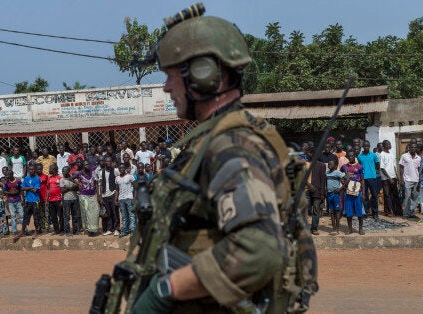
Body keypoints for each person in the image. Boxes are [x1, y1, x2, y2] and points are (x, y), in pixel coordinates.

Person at [130, 11, 303, 312]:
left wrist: (164, 290)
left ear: (203, 74)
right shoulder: (214, 140)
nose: (167, 87)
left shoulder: (231, 147)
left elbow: (259, 249)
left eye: (171, 75)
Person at [73, 160, 100, 237]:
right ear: (83, 166)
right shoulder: (80, 173)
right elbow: (71, 177)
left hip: (93, 195)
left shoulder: (93, 170)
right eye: (85, 165)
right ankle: (89, 230)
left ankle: (94, 228)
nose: (87, 166)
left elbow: (100, 165)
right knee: (87, 212)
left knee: (95, 211)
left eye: (88, 164)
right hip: (83, 196)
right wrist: (78, 183)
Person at [341, 150, 365, 235]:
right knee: (349, 211)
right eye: (349, 156)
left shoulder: (359, 167)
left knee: (359, 211)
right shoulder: (344, 167)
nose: (350, 157)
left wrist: (363, 193)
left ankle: (360, 229)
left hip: (357, 191)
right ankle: (350, 229)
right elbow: (340, 175)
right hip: (348, 192)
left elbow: (362, 180)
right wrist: (343, 181)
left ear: (354, 156)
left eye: (352, 156)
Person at [357, 140, 380, 219]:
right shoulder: (360, 156)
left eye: (367, 146)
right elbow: (359, 166)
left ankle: (375, 213)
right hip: (363, 179)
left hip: (372, 178)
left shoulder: (373, 155)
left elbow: (377, 164)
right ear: (363, 147)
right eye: (365, 146)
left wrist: (375, 171)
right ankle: (365, 212)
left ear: (369, 146)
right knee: (365, 196)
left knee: (374, 196)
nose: (366, 147)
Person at [95, 156, 118, 236]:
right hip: (105, 195)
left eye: (109, 161)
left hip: (113, 194)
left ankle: (116, 229)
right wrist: (100, 196)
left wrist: (116, 195)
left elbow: (118, 182)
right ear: (105, 162)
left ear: (111, 162)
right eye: (106, 161)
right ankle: (109, 229)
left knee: (115, 213)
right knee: (108, 213)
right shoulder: (101, 172)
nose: (108, 163)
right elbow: (100, 184)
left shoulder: (115, 171)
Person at [399, 143, 421, 219]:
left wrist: (419, 180)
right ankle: (405, 214)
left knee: (415, 197)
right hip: (407, 179)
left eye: (414, 147)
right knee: (407, 197)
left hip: (416, 180)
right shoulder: (404, 156)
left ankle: (411, 212)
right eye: (411, 147)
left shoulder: (419, 158)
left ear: (416, 148)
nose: (413, 148)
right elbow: (401, 167)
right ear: (409, 148)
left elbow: (419, 169)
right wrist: (401, 179)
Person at [379, 140, 400, 216]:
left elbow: (393, 165)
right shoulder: (382, 154)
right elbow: (382, 168)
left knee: (395, 194)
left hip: (393, 177)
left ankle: (397, 211)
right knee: (387, 195)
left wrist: (396, 175)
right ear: (384, 146)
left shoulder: (391, 153)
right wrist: (389, 178)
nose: (390, 145)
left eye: (390, 143)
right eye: (388, 144)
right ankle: (387, 212)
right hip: (386, 178)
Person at [115, 163, 135, 237]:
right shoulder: (117, 178)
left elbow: (135, 188)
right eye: (120, 168)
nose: (121, 169)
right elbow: (117, 189)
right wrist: (115, 200)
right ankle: (124, 230)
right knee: (124, 216)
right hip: (121, 199)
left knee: (131, 215)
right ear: (118, 169)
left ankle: (132, 230)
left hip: (129, 198)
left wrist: (134, 198)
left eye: (123, 168)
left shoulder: (130, 176)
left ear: (125, 169)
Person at [21, 165, 42, 236]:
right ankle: (22, 231)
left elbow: (36, 190)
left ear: (35, 170)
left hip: (35, 200)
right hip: (28, 200)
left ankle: (37, 231)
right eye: (30, 169)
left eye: (33, 170)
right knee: (25, 216)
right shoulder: (26, 178)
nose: (31, 171)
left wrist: (27, 188)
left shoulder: (37, 178)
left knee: (36, 217)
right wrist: (30, 187)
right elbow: (21, 188)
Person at [60, 166, 80, 236]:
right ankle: (67, 231)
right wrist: (72, 188)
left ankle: (75, 231)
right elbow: (62, 191)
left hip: (74, 199)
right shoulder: (62, 180)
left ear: (68, 171)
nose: (63, 172)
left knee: (75, 216)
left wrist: (68, 188)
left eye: (64, 171)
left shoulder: (73, 178)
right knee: (66, 216)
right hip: (66, 200)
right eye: (62, 171)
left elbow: (77, 187)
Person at [325, 160, 344, 235]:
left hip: (336, 194)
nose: (329, 165)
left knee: (337, 211)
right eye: (328, 164)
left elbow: (347, 179)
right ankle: (333, 228)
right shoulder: (326, 173)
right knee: (331, 211)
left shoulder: (338, 172)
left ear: (335, 165)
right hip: (329, 194)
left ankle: (337, 228)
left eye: (331, 164)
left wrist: (340, 188)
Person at [3, 170, 24, 237]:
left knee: (22, 216)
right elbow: (4, 191)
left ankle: (24, 230)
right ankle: (14, 231)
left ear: (12, 174)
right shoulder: (6, 182)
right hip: (10, 201)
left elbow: (21, 190)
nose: (7, 176)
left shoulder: (18, 181)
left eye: (8, 175)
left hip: (18, 200)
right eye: (6, 175)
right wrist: (10, 193)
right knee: (13, 217)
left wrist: (22, 199)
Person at [46, 164, 64, 235]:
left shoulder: (60, 178)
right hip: (51, 200)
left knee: (60, 216)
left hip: (58, 199)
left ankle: (62, 230)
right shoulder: (49, 178)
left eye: (51, 169)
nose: (49, 170)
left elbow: (62, 190)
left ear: (55, 170)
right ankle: (56, 230)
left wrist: (62, 200)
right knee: (53, 217)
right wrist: (47, 199)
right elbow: (48, 189)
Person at [36, 163, 50, 233]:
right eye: (38, 169)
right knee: (38, 212)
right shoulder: (34, 177)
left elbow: (48, 188)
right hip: (36, 198)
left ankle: (46, 226)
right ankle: (40, 226)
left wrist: (47, 197)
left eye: (40, 169)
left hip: (44, 197)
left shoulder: (45, 176)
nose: (39, 170)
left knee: (45, 212)